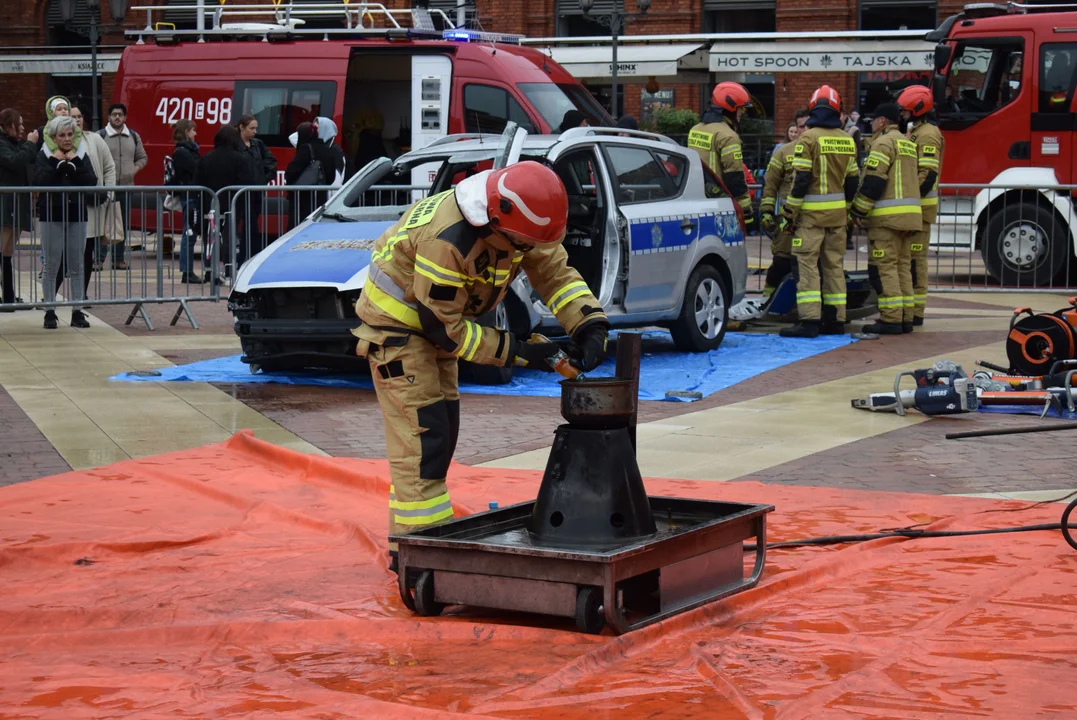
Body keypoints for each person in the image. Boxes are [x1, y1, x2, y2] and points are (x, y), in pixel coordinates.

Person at [352, 161, 609, 570]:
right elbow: (445, 329)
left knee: (442, 429)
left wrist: (589, 322)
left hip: (437, 323)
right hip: (400, 332)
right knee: (424, 441)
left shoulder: (517, 219)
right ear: (496, 221)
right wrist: (522, 352)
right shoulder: (448, 239)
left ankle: (420, 544)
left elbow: (553, 272)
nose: (524, 251)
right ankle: (418, 557)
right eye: (519, 243)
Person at [778, 86, 860, 338]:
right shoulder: (847, 139)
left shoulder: (808, 138)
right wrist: (846, 211)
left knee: (807, 267)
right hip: (837, 217)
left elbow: (802, 179)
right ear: (837, 110)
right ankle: (836, 320)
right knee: (834, 266)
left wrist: (789, 212)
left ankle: (810, 321)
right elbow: (852, 181)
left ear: (813, 109)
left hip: (811, 218)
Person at [851, 103, 922, 335]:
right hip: (909, 217)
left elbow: (874, 180)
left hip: (887, 219)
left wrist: (858, 211)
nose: (871, 124)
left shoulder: (883, 143)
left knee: (885, 268)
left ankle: (891, 319)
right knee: (903, 267)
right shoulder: (908, 143)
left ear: (882, 121)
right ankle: (906, 318)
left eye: (873, 120)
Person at [35, 115, 97, 329]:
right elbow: (40, 180)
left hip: (76, 212)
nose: (67, 139)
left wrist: (75, 163)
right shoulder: (44, 154)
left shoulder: (81, 154)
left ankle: (77, 311)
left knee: (77, 264)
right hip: (51, 212)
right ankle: (49, 311)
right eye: (62, 135)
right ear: (54, 137)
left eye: (70, 134)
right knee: (51, 264)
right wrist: (57, 163)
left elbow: (91, 180)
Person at [898, 85, 945, 328]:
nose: (903, 115)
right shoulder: (917, 131)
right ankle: (911, 309)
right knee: (910, 260)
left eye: (905, 111)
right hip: (916, 209)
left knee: (916, 262)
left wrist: (910, 200)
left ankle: (916, 312)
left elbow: (927, 175)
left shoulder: (927, 134)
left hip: (921, 210)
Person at [687, 82, 755, 229]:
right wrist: (746, 211)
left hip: (696, 196)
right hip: (720, 203)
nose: (743, 112)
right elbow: (734, 176)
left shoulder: (696, 129)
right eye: (741, 108)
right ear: (731, 108)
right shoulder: (728, 136)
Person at [195, 125, 254, 283]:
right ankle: (228, 272)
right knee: (229, 239)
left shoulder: (207, 157)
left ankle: (210, 271)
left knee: (211, 238)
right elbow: (247, 182)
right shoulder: (239, 158)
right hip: (232, 205)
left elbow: (198, 182)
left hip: (211, 204)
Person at [68, 105, 115, 298]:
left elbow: (109, 167)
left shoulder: (94, 139)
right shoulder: (60, 141)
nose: (78, 120)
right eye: (73, 117)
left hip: (92, 207)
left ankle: (81, 294)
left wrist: (109, 193)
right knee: (66, 256)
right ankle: (52, 297)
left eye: (80, 116)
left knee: (87, 254)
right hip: (69, 207)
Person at [97, 103, 147, 271]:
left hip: (126, 187)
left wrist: (133, 170)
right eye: (113, 114)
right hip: (105, 188)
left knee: (122, 224)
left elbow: (142, 157)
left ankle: (118, 259)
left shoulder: (133, 136)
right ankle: (98, 259)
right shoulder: (100, 136)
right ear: (109, 117)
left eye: (120, 114)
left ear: (125, 117)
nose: (117, 117)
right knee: (103, 225)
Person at [0, 109, 37, 308]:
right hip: (5, 204)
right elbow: (15, 161)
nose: (23, 128)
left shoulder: (15, 143)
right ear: (9, 125)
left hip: (16, 202)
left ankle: (8, 296)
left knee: (7, 251)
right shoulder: (2, 143)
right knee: (2, 247)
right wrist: (30, 144)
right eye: (19, 124)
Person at [759, 123, 800, 298]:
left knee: (807, 263)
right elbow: (770, 184)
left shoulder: (819, 149)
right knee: (782, 260)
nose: (801, 131)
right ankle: (768, 299)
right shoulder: (783, 152)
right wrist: (767, 211)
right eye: (799, 127)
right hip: (786, 217)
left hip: (813, 219)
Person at [235, 114, 277, 264]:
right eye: (251, 128)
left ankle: (249, 258)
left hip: (255, 194)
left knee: (252, 227)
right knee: (235, 225)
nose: (255, 131)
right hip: (238, 194)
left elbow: (271, 163)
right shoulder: (234, 145)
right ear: (241, 127)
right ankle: (237, 259)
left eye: (256, 128)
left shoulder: (258, 145)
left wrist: (262, 180)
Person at [171, 119, 205, 284]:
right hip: (189, 195)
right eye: (193, 131)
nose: (195, 134)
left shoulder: (188, 150)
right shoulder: (182, 152)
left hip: (192, 195)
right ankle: (187, 271)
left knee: (191, 232)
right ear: (186, 132)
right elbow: (195, 170)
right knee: (189, 233)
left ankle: (188, 270)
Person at [285, 121, 334, 226]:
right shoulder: (326, 149)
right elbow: (331, 175)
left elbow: (291, 171)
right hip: (320, 197)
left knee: (298, 228)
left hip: (303, 198)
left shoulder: (306, 149)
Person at [315, 116, 348, 184]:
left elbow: (337, 178)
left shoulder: (336, 151)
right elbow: (293, 138)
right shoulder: (318, 147)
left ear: (325, 129)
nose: (313, 132)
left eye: (316, 129)